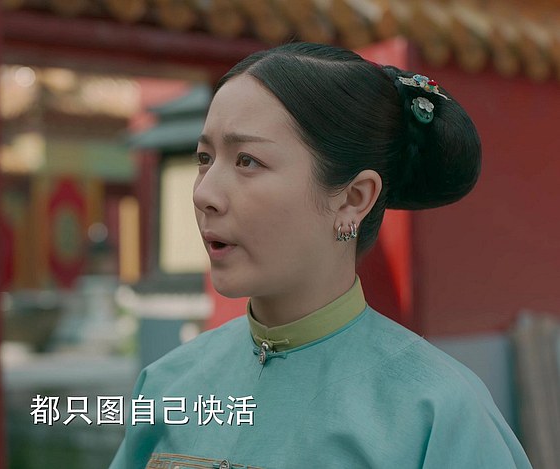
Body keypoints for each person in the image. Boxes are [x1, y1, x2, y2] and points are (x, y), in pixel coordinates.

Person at [109, 42, 532, 468]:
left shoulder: (437, 414)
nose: (204, 193)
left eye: (247, 161)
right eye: (205, 158)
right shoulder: (168, 386)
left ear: (352, 198)